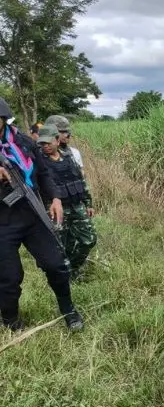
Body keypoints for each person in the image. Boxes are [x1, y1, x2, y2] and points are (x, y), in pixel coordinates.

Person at [0, 98, 83, 331]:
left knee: (56, 265)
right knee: (9, 276)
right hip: (3, 222)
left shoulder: (25, 142)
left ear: (4, 119)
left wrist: (55, 198)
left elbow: (44, 174)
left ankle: (69, 310)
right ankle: (10, 320)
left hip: (32, 213)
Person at [37, 124, 97, 280]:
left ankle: (73, 267)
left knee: (89, 240)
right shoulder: (39, 162)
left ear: (57, 140)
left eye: (48, 142)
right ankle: (65, 276)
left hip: (76, 205)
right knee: (61, 246)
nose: (45, 146)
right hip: (55, 210)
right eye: (42, 143)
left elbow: (80, 180)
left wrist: (88, 203)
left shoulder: (69, 157)